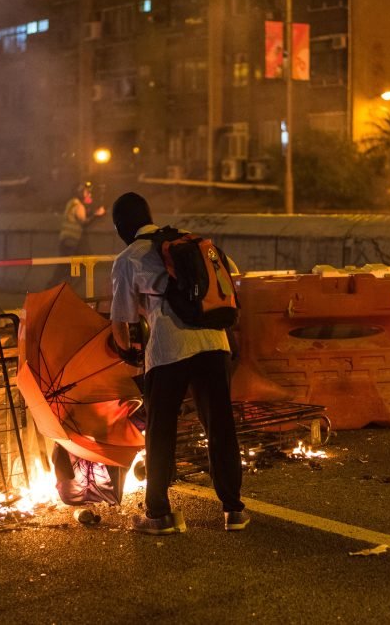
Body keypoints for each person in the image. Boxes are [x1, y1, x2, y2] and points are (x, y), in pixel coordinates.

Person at [109, 192, 247, 535]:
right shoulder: (189, 242)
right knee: (220, 426)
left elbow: (121, 322)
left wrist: (128, 352)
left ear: (121, 227)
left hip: (170, 348)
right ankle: (234, 510)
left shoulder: (129, 257)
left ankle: (159, 514)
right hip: (215, 342)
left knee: (161, 430)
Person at [54, 181, 105, 285]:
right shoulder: (78, 205)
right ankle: (57, 289)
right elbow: (83, 221)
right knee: (70, 267)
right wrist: (97, 214)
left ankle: (55, 288)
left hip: (65, 238)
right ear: (81, 192)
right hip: (72, 240)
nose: (89, 195)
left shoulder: (71, 203)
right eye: (87, 192)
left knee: (64, 267)